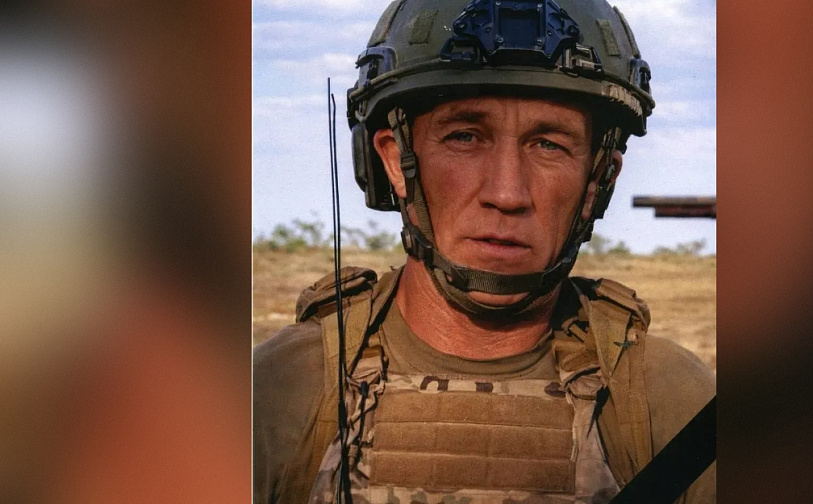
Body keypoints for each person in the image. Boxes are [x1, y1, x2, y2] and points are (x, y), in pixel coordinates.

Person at [254, 0, 715, 503]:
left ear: (598, 179)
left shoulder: (669, 403)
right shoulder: (281, 393)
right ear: (394, 160)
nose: (507, 193)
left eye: (549, 145)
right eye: (465, 137)